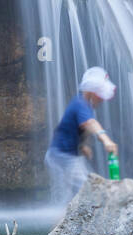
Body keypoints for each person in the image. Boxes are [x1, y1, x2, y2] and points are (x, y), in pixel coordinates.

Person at [45, 66, 119, 204]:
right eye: (100, 95)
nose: (102, 99)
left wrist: (82, 145)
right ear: (91, 92)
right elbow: (90, 123)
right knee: (86, 192)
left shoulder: (82, 104)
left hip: (64, 156)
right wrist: (106, 140)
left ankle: (66, 213)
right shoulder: (81, 104)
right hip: (61, 157)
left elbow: (78, 128)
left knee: (77, 194)